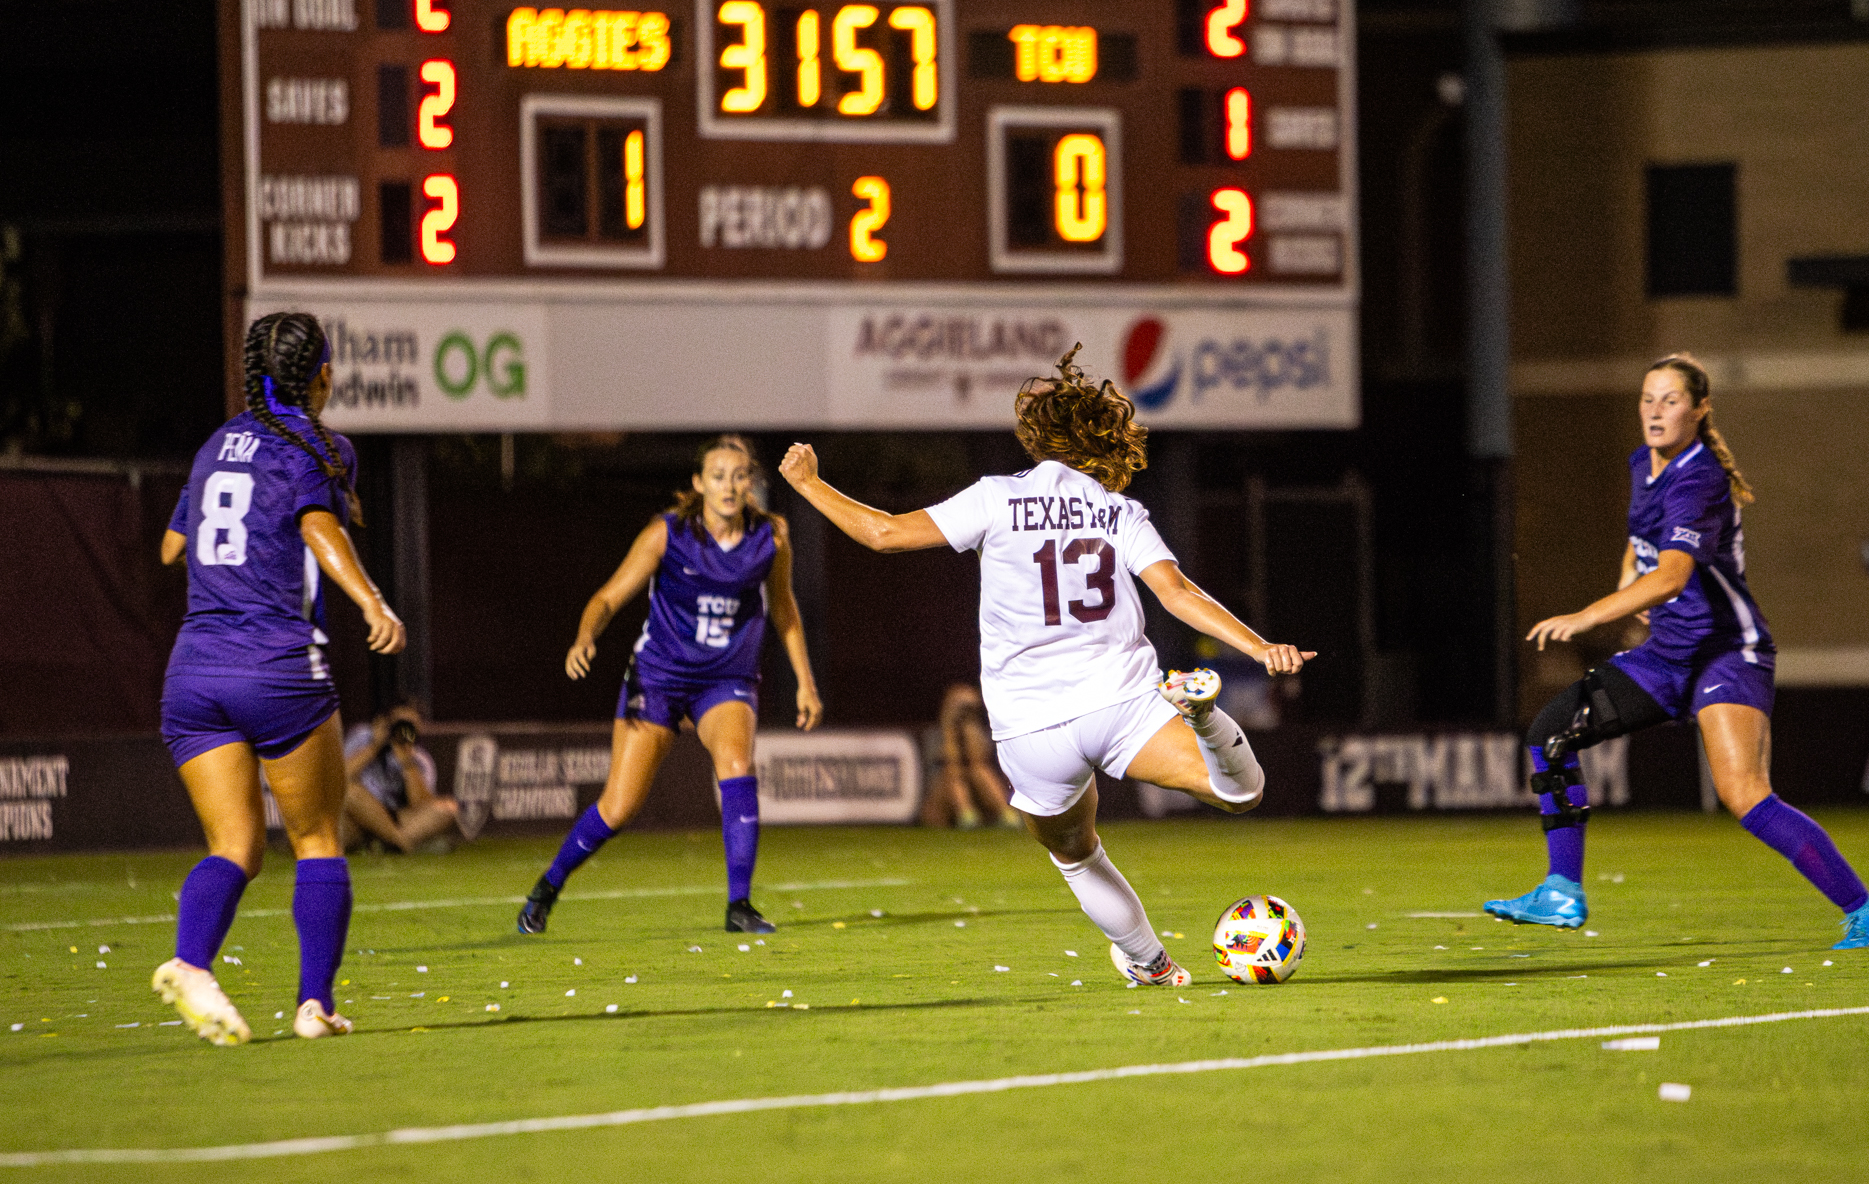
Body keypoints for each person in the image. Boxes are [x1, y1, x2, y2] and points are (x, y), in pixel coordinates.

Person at [780, 345, 1313, 986]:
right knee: (1241, 792)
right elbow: (1177, 594)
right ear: (1107, 444)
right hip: (1124, 701)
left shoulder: (996, 499)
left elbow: (884, 533)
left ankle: (1152, 964)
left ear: (1038, 439)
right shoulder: (1121, 512)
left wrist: (809, 484)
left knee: (1074, 852)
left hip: (1031, 726)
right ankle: (1203, 717)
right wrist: (1257, 646)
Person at [1485, 353, 1869, 949]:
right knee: (1552, 734)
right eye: (1648, 399)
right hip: (1667, 655)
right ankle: (1560, 891)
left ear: (1700, 409)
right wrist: (1633, 590)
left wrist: (1589, 615)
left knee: (1744, 794)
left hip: (1727, 651)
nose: (1655, 411)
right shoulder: (1642, 464)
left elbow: (1675, 575)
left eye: (1671, 400)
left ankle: (1868, 909)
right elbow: (1641, 551)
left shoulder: (1699, 476)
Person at [153, 311, 406, 1045]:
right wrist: (371, 600)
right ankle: (313, 1005)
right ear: (320, 374)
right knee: (318, 836)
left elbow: (173, 547)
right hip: (276, 667)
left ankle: (193, 962)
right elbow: (319, 528)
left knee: (234, 845)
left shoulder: (212, 446)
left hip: (194, 670)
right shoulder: (320, 445)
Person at [517, 434, 822, 935]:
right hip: (659, 676)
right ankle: (547, 886)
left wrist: (804, 683)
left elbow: (784, 610)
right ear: (699, 484)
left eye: (739, 475)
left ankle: (739, 906)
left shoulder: (772, 536)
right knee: (619, 806)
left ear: (751, 483)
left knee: (738, 766)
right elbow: (609, 597)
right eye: (718, 476)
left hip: (726, 678)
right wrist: (583, 637)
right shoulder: (667, 534)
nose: (729, 485)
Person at [342, 703, 460, 853]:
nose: (403, 730)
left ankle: (388, 842)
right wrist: (374, 747)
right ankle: (404, 843)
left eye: (410, 725)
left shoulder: (419, 759)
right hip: (361, 815)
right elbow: (341, 778)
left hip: (398, 817)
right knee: (349, 792)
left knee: (447, 808)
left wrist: (406, 762)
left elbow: (420, 804)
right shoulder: (363, 738)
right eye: (399, 724)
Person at [921, 684, 1022, 829]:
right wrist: (949, 725)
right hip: (942, 800)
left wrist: (970, 725)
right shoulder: (937, 735)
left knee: (979, 769)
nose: (964, 713)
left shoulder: (979, 732)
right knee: (953, 774)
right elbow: (952, 762)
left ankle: (1006, 815)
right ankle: (966, 816)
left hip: (979, 798)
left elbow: (978, 759)